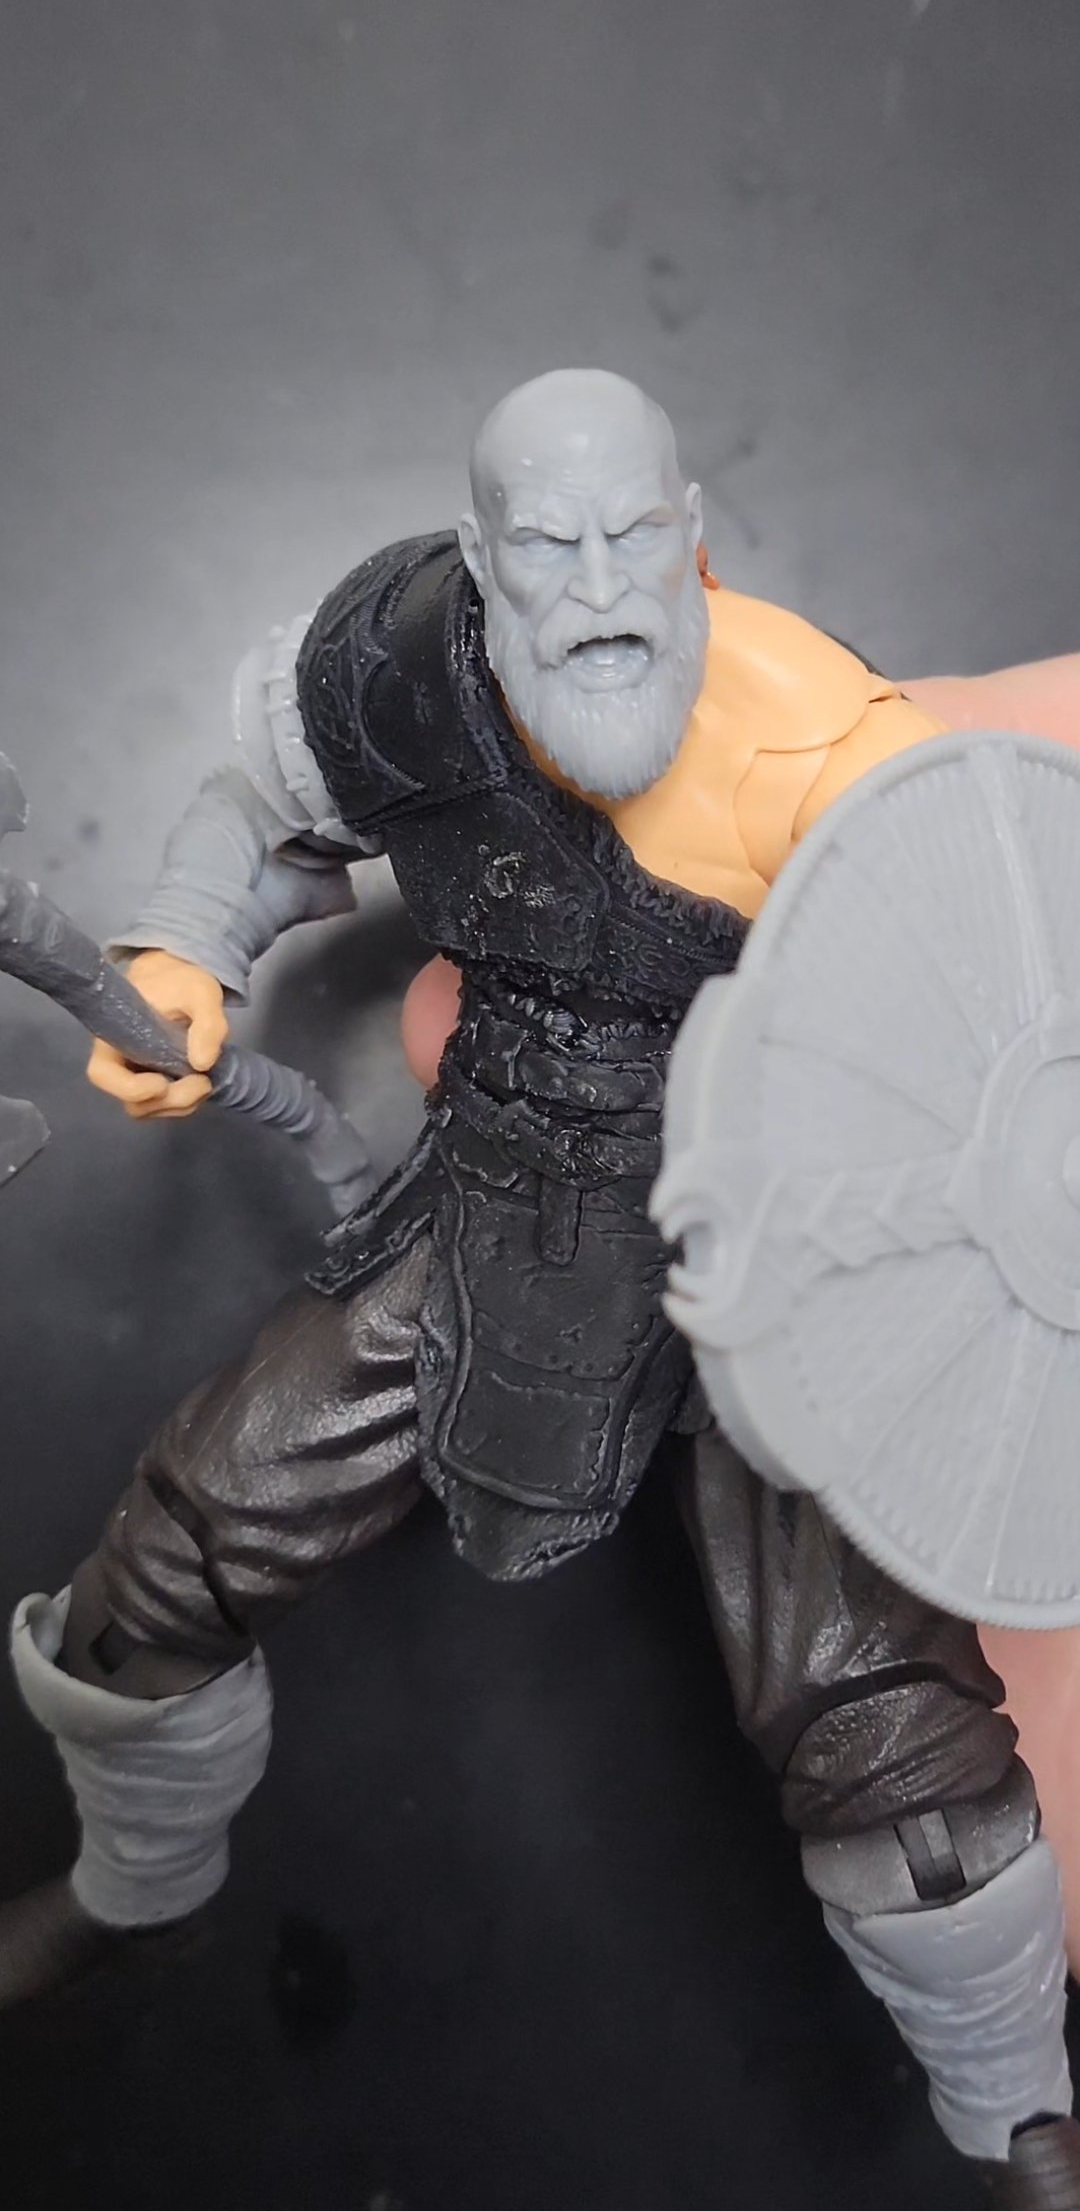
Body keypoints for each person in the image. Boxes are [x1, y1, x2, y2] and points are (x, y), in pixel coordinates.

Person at [4, 370, 1077, 2204]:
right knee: (182, 1546)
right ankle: (138, 1889)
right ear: (482, 556)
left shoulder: (831, 752)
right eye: (547, 547)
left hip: (778, 1228)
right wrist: (187, 946)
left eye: (631, 537)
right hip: (497, 1175)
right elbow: (263, 807)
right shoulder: (407, 667)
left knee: (888, 1737)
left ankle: (1019, 2119)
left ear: (697, 543)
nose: (594, 591)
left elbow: (993, 1001)